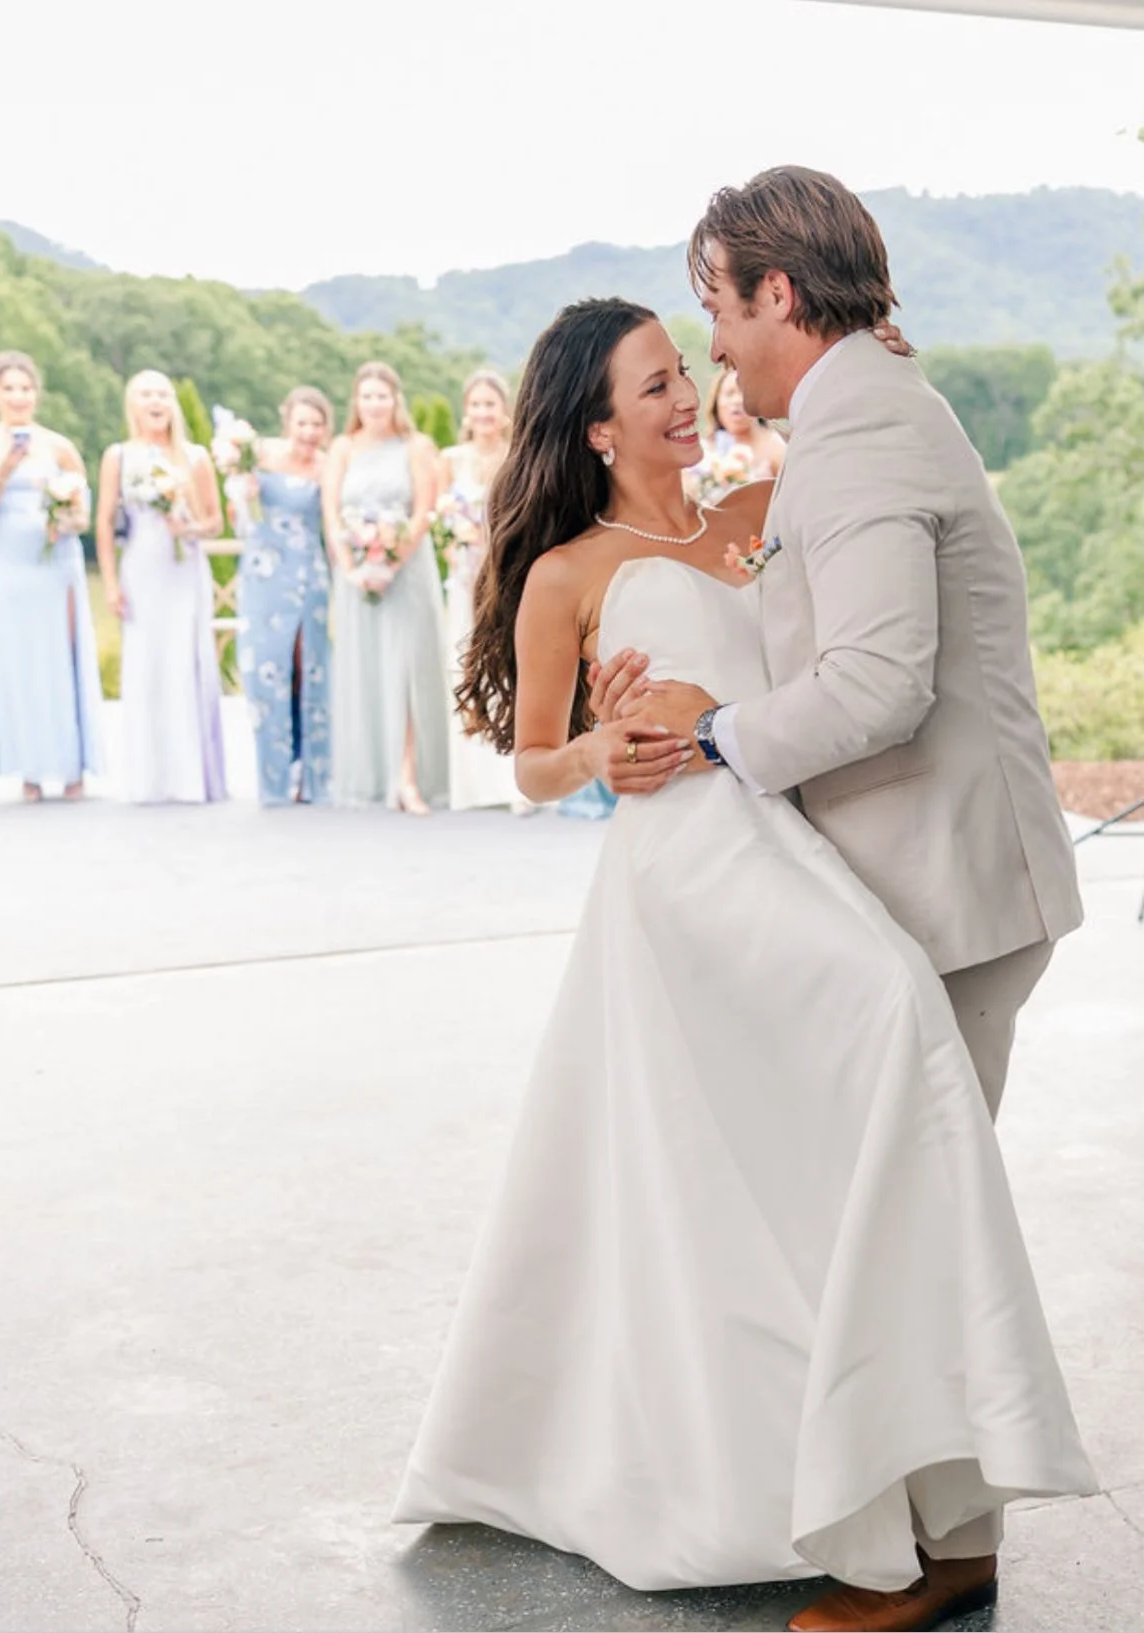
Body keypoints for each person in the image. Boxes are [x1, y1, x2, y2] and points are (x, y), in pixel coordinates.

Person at [392, 299, 1094, 1608]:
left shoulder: (768, 504)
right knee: (805, 1089)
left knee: (831, 1121)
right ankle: (861, 1482)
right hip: (678, 880)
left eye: (683, 371)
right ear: (596, 428)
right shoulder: (565, 577)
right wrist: (599, 753)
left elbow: (842, 663)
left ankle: (900, 1464)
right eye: (653, 386)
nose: (684, 396)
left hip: (790, 843)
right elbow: (534, 760)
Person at [603, 166, 1087, 1632]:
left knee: (904, 1227)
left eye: (717, 306)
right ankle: (924, 1522)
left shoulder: (862, 430)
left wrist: (706, 736)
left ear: (777, 292)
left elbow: (876, 683)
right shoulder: (861, 411)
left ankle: (946, 1555)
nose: (714, 349)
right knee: (893, 1216)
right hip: (924, 882)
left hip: (947, 892)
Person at [0, 351, 104, 800]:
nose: (19, 396)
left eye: (25, 388)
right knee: (16, 661)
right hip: (4, 562)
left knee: (55, 659)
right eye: (9, 388)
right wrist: (4, 469)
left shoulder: (59, 446)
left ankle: (70, 767)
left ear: (36, 393)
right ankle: (28, 769)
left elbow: (81, 511)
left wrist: (64, 518)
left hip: (51, 562)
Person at [95, 370, 226, 804]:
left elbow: (215, 521)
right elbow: (104, 523)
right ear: (133, 404)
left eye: (163, 394)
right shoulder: (119, 455)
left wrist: (186, 527)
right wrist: (111, 583)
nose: (156, 401)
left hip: (184, 570)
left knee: (182, 663)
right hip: (141, 568)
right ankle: (147, 777)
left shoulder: (196, 457)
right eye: (146, 394)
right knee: (147, 664)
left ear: (173, 404)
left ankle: (189, 777)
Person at [323, 362, 447, 813]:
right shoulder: (342, 448)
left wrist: (391, 560)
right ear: (356, 402)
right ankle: (370, 774)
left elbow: (423, 512)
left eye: (383, 396)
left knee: (406, 671)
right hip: (355, 576)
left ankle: (409, 778)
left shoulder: (416, 447)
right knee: (367, 670)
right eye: (367, 396)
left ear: (396, 400)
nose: (375, 404)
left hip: (407, 571)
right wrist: (354, 567)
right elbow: (332, 513)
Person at [228, 387, 332, 806]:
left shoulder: (328, 466)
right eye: (301, 422)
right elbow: (238, 517)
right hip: (264, 574)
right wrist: (242, 492)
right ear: (287, 422)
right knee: (264, 669)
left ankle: (312, 776)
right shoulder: (260, 457)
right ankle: (272, 777)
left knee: (307, 668)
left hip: (309, 572)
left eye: (317, 424)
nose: (308, 432)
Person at [439, 369, 530, 813]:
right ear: (466, 410)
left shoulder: (517, 456)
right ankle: (473, 784)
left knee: (508, 669)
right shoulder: (450, 459)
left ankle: (514, 780)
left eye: (490, 404)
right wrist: (453, 541)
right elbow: (439, 520)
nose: (482, 413)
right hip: (462, 580)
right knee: (465, 669)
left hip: (505, 577)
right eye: (475, 405)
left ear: (504, 409)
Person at [703, 364, 786, 474]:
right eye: (729, 393)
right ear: (716, 402)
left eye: (744, 393)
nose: (737, 401)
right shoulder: (704, 451)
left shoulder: (777, 446)